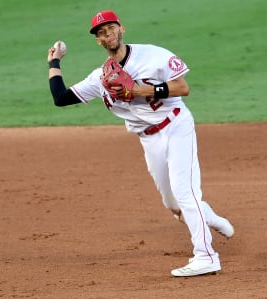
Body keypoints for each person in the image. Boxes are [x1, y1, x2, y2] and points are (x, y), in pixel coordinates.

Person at [47, 10, 234, 277]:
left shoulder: (153, 55)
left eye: (110, 28)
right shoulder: (99, 79)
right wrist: (54, 63)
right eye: (101, 32)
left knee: (185, 190)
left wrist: (138, 90)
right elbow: (61, 98)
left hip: (177, 125)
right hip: (149, 140)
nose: (107, 34)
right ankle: (209, 217)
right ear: (98, 40)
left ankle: (206, 256)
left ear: (121, 28)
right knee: (173, 204)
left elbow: (183, 88)